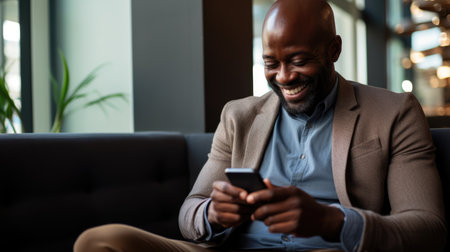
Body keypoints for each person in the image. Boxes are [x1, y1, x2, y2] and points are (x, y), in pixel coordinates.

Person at [74, 0, 447, 251]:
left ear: (333, 50)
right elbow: (190, 213)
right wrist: (213, 214)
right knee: (101, 241)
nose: (283, 77)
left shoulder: (394, 111)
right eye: (271, 63)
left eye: (298, 60)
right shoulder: (239, 117)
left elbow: (427, 228)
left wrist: (331, 221)